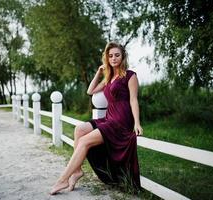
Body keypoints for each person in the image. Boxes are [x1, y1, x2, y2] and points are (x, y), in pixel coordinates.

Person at [50, 41, 143, 195]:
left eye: (117, 55)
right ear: (107, 58)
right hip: (109, 118)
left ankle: (63, 179)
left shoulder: (130, 76)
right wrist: (99, 72)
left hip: (121, 121)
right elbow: (90, 90)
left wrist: (137, 123)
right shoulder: (108, 78)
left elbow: (134, 100)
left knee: (85, 141)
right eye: (110, 56)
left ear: (123, 56)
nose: (113, 58)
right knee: (80, 130)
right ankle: (76, 172)